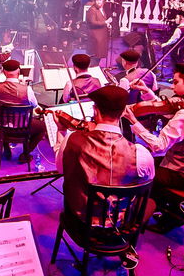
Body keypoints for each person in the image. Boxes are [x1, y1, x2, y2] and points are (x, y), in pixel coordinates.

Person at [131, 63, 184, 232]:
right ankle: (168, 209)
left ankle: (147, 218)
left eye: (176, 82)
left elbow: (159, 146)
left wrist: (134, 122)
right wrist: (147, 93)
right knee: (152, 164)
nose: (171, 86)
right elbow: (165, 109)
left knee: (143, 171)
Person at [56, 85, 154, 228]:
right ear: (122, 114)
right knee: (149, 203)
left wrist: (61, 131)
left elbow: (60, 169)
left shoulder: (72, 140)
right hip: (120, 226)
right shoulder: (140, 153)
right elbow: (145, 184)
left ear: (96, 111)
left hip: (79, 224)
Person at [86, 0, 110, 66]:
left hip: (101, 36)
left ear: (103, 1)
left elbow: (101, 20)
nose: (99, 2)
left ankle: (95, 68)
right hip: (96, 36)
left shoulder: (101, 9)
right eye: (97, 0)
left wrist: (107, 24)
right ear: (94, 1)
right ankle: (92, 70)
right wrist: (105, 22)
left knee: (98, 55)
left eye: (100, 0)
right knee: (95, 55)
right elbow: (93, 22)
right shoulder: (92, 10)